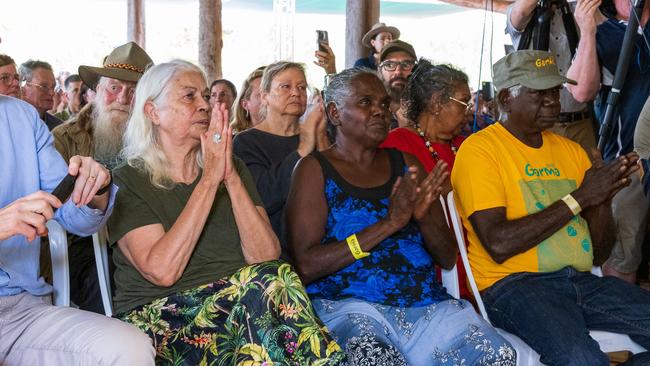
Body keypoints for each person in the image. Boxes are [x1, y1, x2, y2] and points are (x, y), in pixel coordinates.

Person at [108, 60, 344, 365]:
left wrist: (229, 176)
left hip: (243, 304)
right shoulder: (127, 180)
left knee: (273, 281)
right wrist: (209, 181)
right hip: (164, 317)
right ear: (153, 112)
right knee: (262, 302)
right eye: (189, 96)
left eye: (206, 96)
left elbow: (265, 256)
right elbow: (163, 271)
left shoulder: (232, 166)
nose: (204, 106)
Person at [286, 68, 516, 365]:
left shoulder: (406, 164)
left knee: (497, 356)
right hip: (349, 307)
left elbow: (447, 257)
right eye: (366, 103)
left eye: (383, 104)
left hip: (424, 306)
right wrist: (387, 225)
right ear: (334, 113)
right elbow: (306, 266)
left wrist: (424, 218)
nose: (381, 112)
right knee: (377, 359)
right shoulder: (313, 169)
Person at [452, 50, 650, 365]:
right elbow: (499, 244)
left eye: (555, 91)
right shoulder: (479, 151)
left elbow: (598, 255)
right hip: (514, 286)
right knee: (581, 359)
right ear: (506, 99)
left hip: (581, 280)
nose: (553, 101)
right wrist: (581, 198)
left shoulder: (572, 151)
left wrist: (601, 200)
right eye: (539, 93)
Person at [0, 95, 155, 365]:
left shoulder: (22, 116)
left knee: (129, 348)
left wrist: (96, 189)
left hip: (20, 312)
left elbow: (72, 217)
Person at [51, 41, 153, 314]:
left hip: (148, 238)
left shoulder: (157, 142)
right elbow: (55, 208)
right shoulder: (64, 139)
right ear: (96, 91)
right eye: (114, 88)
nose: (122, 98)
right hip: (84, 243)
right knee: (107, 276)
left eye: (133, 92)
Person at [566, 0, 650, 283]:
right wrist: (587, 31)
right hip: (627, 159)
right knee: (623, 250)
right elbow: (581, 92)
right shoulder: (604, 32)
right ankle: (626, 321)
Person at [381, 59, 472, 299]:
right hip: (426, 254)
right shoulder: (396, 143)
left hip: (476, 249)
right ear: (435, 104)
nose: (468, 111)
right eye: (463, 102)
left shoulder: (468, 146)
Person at [233, 61, 329, 255]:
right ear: (265, 96)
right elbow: (263, 197)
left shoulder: (315, 133)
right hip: (276, 251)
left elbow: (336, 187)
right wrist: (303, 149)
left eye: (302, 87)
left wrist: (321, 137)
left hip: (323, 245)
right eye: (286, 86)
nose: (296, 93)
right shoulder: (247, 142)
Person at [506, 0, 597, 151]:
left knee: (591, 171)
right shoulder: (520, 13)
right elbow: (521, 11)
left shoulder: (578, 11)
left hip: (581, 121)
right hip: (540, 126)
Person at [377, 40, 417, 129]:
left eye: (406, 64)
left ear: (417, 70)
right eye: (390, 65)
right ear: (380, 71)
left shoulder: (429, 109)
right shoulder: (370, 110)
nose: (398, 72)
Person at [19, 60, 63, 131]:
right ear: (22, 88)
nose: (52, 93)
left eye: (53, 87)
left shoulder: (58, 128)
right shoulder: (8, 123)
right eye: (44, 86)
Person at [231, 66, 265, 133]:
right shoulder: (234, 139)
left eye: (271, 94)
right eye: (260, 95)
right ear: (245, 104)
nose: (268, 99)